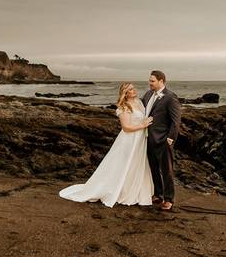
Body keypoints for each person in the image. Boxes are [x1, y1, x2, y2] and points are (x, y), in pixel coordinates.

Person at [58, 83, 154, 207]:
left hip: (140, 139)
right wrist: (143, 125)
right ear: (125, 93)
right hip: (130, 140)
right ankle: (120, 190)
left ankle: (136, 189)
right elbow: (126, 128)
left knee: (136, 164)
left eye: (133, 87)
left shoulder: (139, 103)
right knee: (125, 164)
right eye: (129, 89)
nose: (133, 90)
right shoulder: (124, 107)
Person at [140, 70, 181, 211]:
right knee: (153, 168)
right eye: (150, 80)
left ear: (161, 81)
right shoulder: (148, 94)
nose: (149, 83)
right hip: (148, 138)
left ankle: (169, 199)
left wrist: (171, 138)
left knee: (167, 170)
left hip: (163, 139)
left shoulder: (170, 97)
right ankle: (158, 194)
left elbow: (175, 121)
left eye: (152, 81)